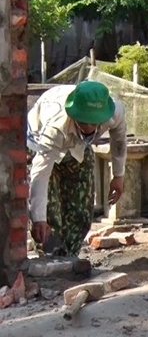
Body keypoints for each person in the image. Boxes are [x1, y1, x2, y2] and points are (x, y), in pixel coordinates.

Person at [27, 81, 127, 256]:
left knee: (81, 210)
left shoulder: (115, 112)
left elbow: (118, 140)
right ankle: (49, 256)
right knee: (51, 213)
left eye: (93, 122)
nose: (88, 126)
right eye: (83, 121)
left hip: (77, 147)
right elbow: (40, 174)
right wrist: (38, 219)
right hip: (41, 142)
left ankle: (71, 255)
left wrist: (118, 176)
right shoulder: (55, 128)